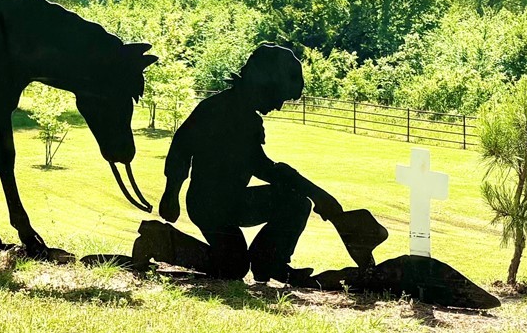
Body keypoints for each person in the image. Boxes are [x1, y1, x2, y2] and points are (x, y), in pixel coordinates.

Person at [131, 43, 380, 284]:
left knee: (294, 205)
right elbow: (182, 148)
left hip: (233, 200)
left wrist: (316, 194)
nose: (279, 106)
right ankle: (160, 240)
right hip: (210, 205)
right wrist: (171, 192)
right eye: (278, 97)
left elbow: (260, 165)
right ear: (263, 86)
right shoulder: (217, 110)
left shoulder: (247, 119)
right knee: (232, 266)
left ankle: (269, 263)